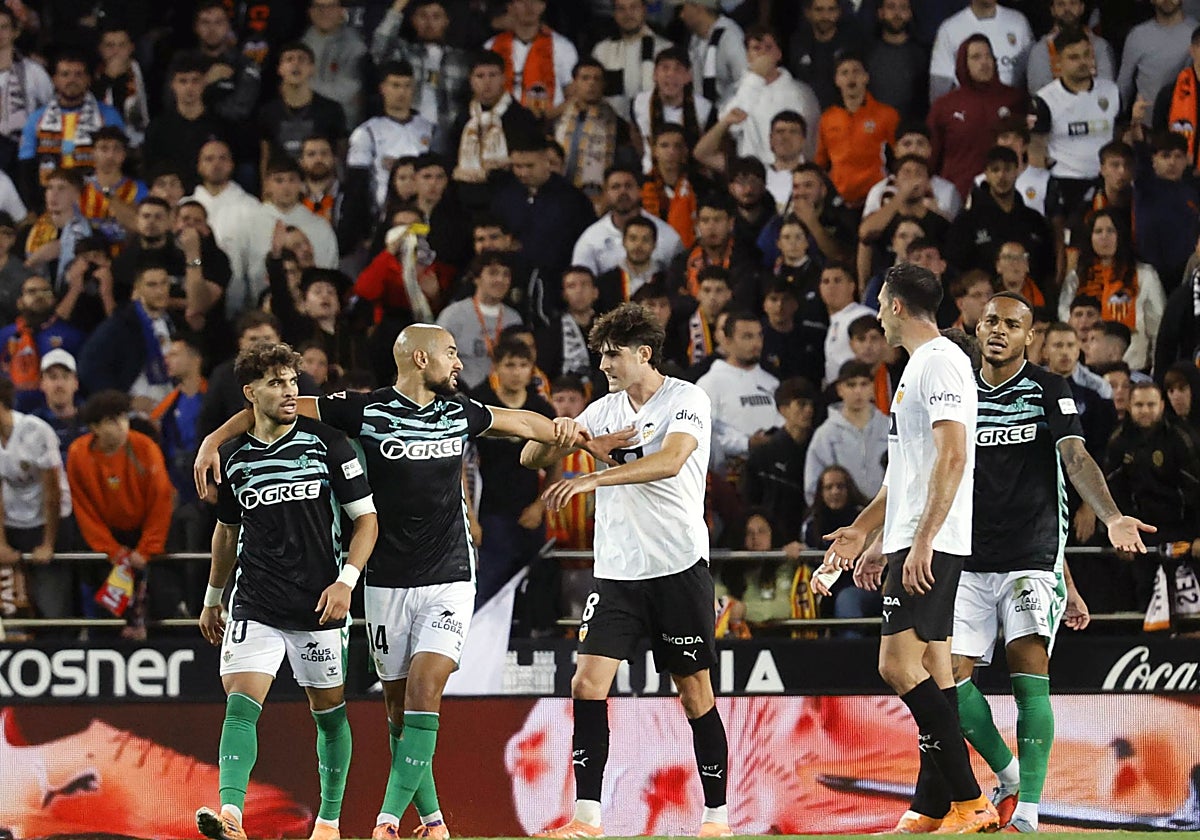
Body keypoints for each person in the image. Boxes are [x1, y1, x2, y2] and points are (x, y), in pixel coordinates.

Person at [195, 322, 588, 840]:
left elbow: (520, 423)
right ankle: (432, 823)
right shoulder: (361, 411)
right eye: (451, 352)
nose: (460, 362)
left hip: (443, 575)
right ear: (421, 359)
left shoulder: (453, 413)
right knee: (396, 709)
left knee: (418, 692)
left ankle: (376, 823)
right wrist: (213, 440)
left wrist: (579, 433)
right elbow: (278, 410)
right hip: (381, 584)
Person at [520, 302, 733, 838]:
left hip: (677, 567)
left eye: (613, 355)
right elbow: (528, 458)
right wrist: (561, 434)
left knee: (695, 693)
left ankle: (716, 818)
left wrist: (590, 479)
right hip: (616, 575)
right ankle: (588, 818)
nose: (605, 365)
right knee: (587, 684)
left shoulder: (687, 399)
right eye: (600, 355)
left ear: (643, 353)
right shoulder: (602, 409)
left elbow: (669, 461)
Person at [945, 292, 1154, 832]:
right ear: (978, 326)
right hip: (968, 560)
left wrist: (1110, 518)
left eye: (1011, 325)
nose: (998, 331)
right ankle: (1010, 772)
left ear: (1027, 337)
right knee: (948, 679)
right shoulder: (959, 391)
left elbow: (1076, 457)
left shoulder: (1048, 388)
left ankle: (1030, 811)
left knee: (1028, 677)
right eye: (990, 320)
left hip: (1031, 559)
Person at [814, 262, 998, 834]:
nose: (876, 317)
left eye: (879, 304)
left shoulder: (940, 362)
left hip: (932, 541)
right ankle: (932, 804)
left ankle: (971, 802)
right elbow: (902, 477)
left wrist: (919, 541)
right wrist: (866, 533)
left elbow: (953, 456)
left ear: (895, 306)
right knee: (935, 670)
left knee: (895, 665)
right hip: (913, 538)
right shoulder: (914, 370)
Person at [194, 341, 378, 840]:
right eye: (277, 383)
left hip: (319, 603)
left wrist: (346, 582)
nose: (290, 391)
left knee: (329, 714)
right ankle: (231, 813)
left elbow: (367, 521)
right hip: (255, 600)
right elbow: (227, 533)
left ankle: (328, 822)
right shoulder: (232, 459)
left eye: (293, 381)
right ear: (250, 392)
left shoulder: (328, 443)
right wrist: (213, 599)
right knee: (240, 702)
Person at [66, 389, 174, 639]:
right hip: (106, 539)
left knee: (160, 599)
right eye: (112, 421)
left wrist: (146, 549)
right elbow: (84, 510)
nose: (121, 425)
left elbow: (161, 501)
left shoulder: (145, 448)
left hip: (145, 534)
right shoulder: (77, 454)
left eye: (124, 417)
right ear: (95, 427)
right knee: (107, 611)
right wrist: (112, 551)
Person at [1057, 209, 1165, 371]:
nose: (1104, 237)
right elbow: (1065, 320)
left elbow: (1158, 330)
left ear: (1121, 235)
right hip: (1083, 370)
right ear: (1090, 237)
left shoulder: (1144, 275)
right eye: (1098, 231)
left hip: (1133, 370)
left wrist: (1158, 372)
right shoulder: (1077, 277)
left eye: (1110, 231)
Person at [1030, 28, 1121, 218]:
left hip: (1106, 181)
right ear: (1058, 62)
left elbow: (1119, 136)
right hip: (1066, 183)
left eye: (1086, 55)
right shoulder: (1046, 99)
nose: (1083, 62)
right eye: (1073, 57)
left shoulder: (1111, 92)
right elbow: (1036, 148)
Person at [927, 35, 1026, 201]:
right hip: (957, 195)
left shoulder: (1015, 99)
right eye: (976, 57)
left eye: (988, 56)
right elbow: (931, 156)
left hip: (1007, 194)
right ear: (963, 63)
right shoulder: (944, 106)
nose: (984, 62)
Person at [370, 0, 472, 152]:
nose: (429, 23)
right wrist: (397, 9)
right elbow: (379, 50)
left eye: (436, 17)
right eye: (423, 16)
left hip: (448, 134)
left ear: (446, 21)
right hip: (408, 131)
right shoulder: (404, 53)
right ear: (413, 21)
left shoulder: (461, 60)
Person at [929, 0, 1033, 98]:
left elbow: (1032, 75)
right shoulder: (949, 29)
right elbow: (939, 88)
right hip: (969, 111)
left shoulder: (1019, 22)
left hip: (1013, 109)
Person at [1118, 0, 1198, 125]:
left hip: (1189, 127)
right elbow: (1124, 85)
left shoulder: (1196, 33)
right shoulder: (1137, 36)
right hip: (1147, 129)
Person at [590, 0, 671, 119]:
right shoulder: (601, 50)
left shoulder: (665, 49)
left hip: (654, 124)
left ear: (644, 9)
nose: (628, 14)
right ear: (614, 13)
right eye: (621, 9)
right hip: (609, 126)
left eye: (633, 7)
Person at [1025, 0, 1116, 95]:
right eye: (1061, 4)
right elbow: (1038, 91)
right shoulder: (1040, 50)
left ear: (1082, 8)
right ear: (1053, 10)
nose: (1067, 9)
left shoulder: (1099, 45)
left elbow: (1107, 85)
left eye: (1073, 3)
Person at [675, 0, 747, 109]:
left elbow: (745, 81)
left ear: (698, 8)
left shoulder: (729, 37)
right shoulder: (695, 39)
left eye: (684, 8)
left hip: (729, 115)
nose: (681, 15)